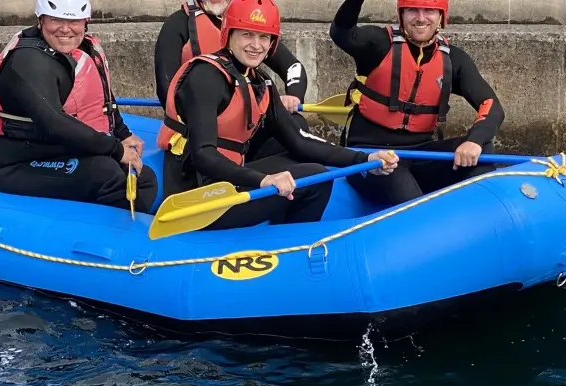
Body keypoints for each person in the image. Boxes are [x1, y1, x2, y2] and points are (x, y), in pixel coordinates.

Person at [157, 0, 399, 230]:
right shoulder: (205, 78)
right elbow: (203, 156)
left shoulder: (259, 80)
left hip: (229, 177)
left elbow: (300, 141)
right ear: (228, 34)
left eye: (264, 37)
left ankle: (282, 232)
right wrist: (262, 179)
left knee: (309, 165)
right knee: (316, 178)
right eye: (246, 34)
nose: (256, 45)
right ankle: (290, 246)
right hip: (199, 197)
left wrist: (363, 160)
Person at [0, 0, 157, 212]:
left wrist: (122, 133)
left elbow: (101, 96)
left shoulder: (80, 48)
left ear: (85, 23)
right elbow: (54, 123)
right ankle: (107, 239)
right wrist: (114, 148)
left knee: (144, 177)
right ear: (41, 20)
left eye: (73, 21)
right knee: (107, 175)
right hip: (21, 162)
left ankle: (132, 230)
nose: (65, 29)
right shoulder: (28, 62)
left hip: (60, 149)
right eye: (56, 19)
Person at [330, 0, 505, 207]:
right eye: (413, 10)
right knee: (402, 186)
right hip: (371, 157)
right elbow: (341, 33)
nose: (421, 18)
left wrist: (474, 140)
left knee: (483, 149)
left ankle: (480, 222)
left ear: (441, 16)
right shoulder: (377, 44)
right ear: (401, 14)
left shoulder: (453, 59)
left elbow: (491, 105)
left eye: (429, 10)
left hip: (420, 153)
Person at [154, 0, 312, 161]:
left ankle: (264, 174)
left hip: (244, 128)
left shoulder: (247, 22)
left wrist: (293, 97)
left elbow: (293, 67)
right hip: (202, 131)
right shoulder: (177, 24)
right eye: (247, 35)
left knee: (296, 125)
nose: (255, 44)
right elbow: (166, 89)